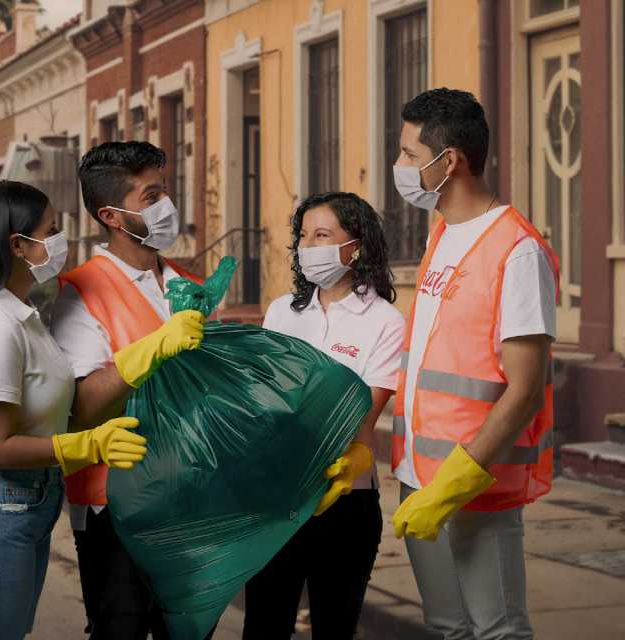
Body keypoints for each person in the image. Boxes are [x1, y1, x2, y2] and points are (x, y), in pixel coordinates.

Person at [0, 180, 151, 640]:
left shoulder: (23, 314)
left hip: (23, 502)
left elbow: (56, 399)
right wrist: (88, 444)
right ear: (18, 245)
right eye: (51, 230)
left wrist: (130, 364)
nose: (61, 242)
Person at [390, 88, 558, 639]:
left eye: (411, 156)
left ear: (450, 161)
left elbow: (526, 389)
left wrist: (456, 481)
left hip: (474, 485)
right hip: (420, 476)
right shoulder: (443, 232)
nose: (401, 168)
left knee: (497, 630)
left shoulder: (517, 249)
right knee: (448, 628)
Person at [50, 141, 206, 639]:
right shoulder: (81, 290)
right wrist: (153, 349)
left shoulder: (188, 283)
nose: (166, 206)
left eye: (164, 191)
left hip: (191, 500)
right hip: (115, 508)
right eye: (151, 195)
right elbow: (84, 402)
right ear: (112, 216)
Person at [242, 192, 405, 639]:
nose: (309, 246)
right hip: (278, 500)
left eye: (322, 235)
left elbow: (358, 417)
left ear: (356, 245)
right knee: (263, 625)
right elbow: (262, 400)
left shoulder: (385, 322)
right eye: (303, 236)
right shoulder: (282, 313)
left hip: (345, 501)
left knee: (335, 627)